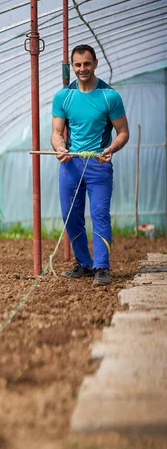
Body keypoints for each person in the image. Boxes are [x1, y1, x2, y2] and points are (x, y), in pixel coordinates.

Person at [51, 44, 129, 286]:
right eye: (78, 64)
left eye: (87, 63)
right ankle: (84, 264)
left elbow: (123, 132)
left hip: (98, 164)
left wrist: (111, 149)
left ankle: (102, 267)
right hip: (71, 164)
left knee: (99, 215)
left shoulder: (110, 97)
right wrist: (60, 148)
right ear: (72, 67)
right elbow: (56, 132)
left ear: (95, 63)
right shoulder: (64, 96)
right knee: (70, 216)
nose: (82, 68)